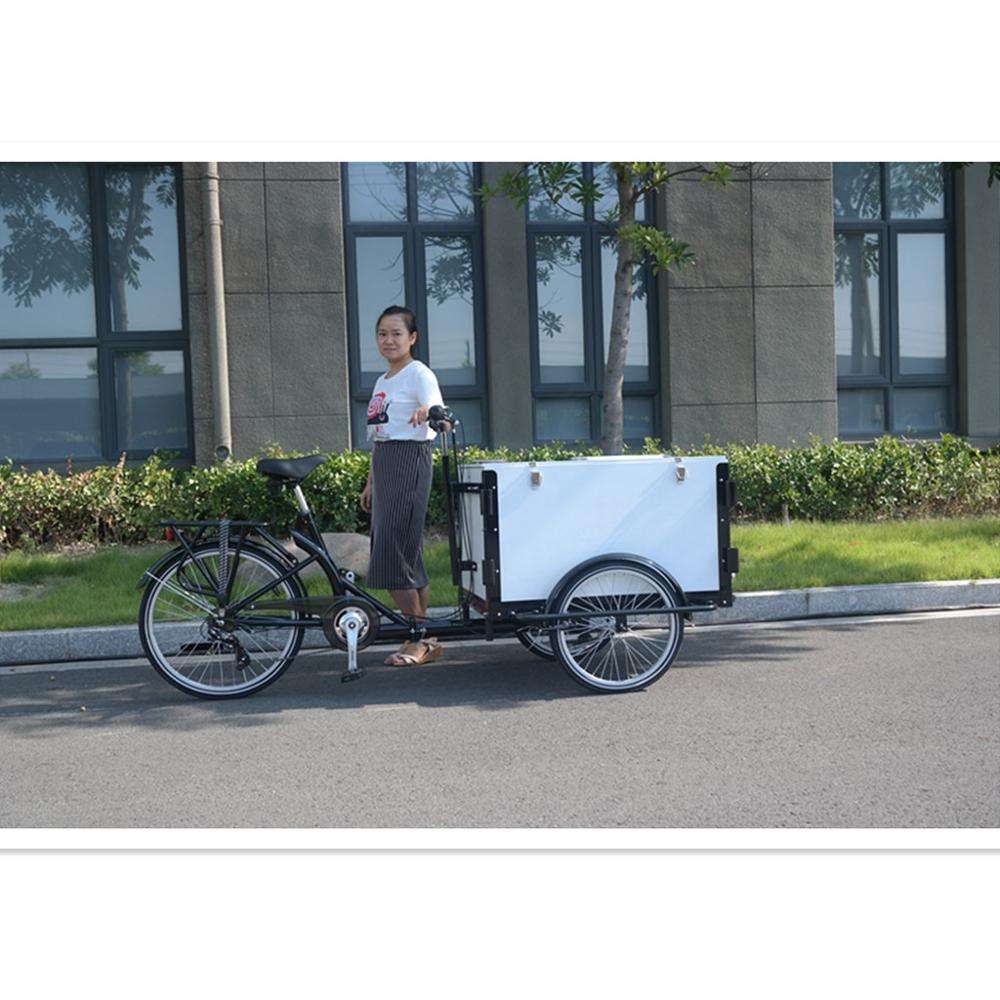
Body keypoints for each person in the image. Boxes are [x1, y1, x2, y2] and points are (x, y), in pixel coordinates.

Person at [359, 305, 451, 667]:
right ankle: (425, 639)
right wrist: (371, 483)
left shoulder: (418, 374)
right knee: (408, 557)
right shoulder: (384, 381)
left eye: (397, 333)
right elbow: (380, 436)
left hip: (410, 462)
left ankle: (418, 639)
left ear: (412, 338)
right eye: (382, 333)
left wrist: (427, 412)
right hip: (386, 465)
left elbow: (441, 418)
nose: (388, 340)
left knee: (392, 555)